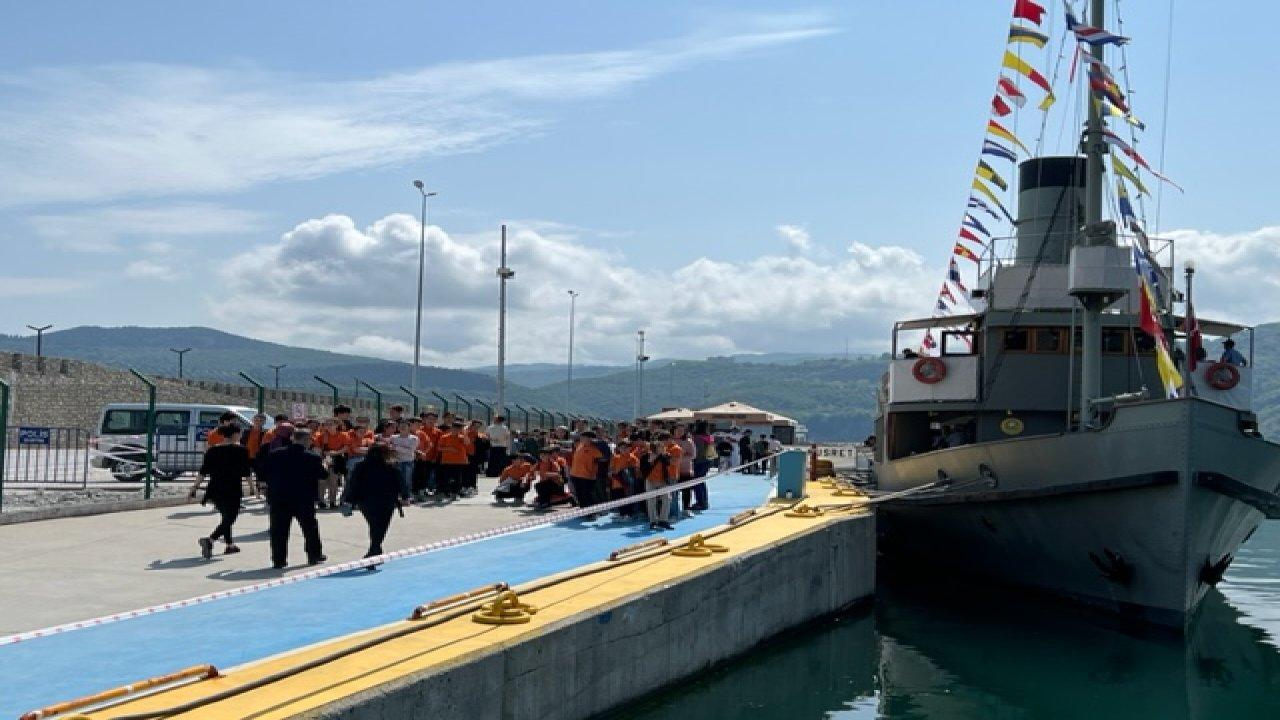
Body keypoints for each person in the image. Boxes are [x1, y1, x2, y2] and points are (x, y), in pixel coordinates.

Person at [262, 428, 327, 569]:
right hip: (303, 497)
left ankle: (278, 559)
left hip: (279, 497)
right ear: (306, 440)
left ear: (293, 438)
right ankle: (314, 555)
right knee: (310, 528)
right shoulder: (312, 457)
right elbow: (323, 475)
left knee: (279, 530)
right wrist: (325, 464)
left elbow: (264, 472)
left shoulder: (275, 454)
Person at [188, 425, 251, 559]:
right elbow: (246, 472)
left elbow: (203, 471)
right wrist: (252, 487)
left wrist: (194, 487)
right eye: (240, 433)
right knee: (231, 517)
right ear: (234, 434)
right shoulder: (241, 450)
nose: (241, 436)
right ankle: (210, 540)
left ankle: (229, 545)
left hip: (215, 487)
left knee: (225, 516)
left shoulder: (212, 450)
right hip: (232, 487)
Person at [343, 443, 402, 561]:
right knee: (382, 525)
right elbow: (400, 483)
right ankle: (374, 549)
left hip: (365, 501)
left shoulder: (360, 466)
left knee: (374, 524)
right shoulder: (391, 466)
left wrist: (349, 500)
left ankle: (375, 549)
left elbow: (352, 484)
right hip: (386, 500)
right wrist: (404, 496)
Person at [569, 430, 608, 519]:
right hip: (575, 474)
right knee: (580, 495)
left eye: (583, 437)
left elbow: (604, 458)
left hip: (587, 476)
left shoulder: (594, 449)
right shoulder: (580, 445)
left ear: (589, 438)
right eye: (581, 437)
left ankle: (592, 513)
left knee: (588, 495)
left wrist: (595, 463)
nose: (581, 438)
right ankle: (584, 512)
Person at [640, 441, 674, 531]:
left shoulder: (665, 456)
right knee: (651, 500)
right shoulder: (645, 457)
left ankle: (664, 520)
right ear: (654, 448)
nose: (663, 448)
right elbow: (643, 470)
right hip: (650, 480)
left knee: (667, 498)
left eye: (663, 447)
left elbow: (669, 463)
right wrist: (651, 461)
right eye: (660, 447)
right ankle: (653, 521)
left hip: (663, 481)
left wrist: (663, 456)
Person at [436, 422, 471, 500]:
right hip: (447, 461)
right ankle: (445, 492)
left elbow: (467, 443)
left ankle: (455, 493)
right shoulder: (444, 437)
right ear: (451, 428)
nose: (456, 430)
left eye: (458, 428)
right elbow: (439, 448)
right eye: (454, 428)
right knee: (446, 478)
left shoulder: (462, 437)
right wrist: (449, 449)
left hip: (459, 461)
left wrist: (465, 432)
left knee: (457, 478)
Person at [388, 421, 419, 503]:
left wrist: (396, 447)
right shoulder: (393, 437)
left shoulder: (414, 438)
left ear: (409, 428)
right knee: (395, 480)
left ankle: (406, 498)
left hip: (407, 462)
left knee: (406, 480)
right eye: (401, 426)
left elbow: (410, 451)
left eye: (404, 426)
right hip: (395, 462)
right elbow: (390, 447)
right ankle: (396, 497)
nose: (402, 427)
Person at [673, 426, 697, 517]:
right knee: (673, 492)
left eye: (681, 431)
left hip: (686, 470)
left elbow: (693, 455)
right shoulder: (671, 441)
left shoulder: (689, 441)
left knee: (687, 491)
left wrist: (680, 458)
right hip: (673, 471)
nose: (679, 432)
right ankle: (674, 511)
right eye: (677, 430)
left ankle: (686, 509)